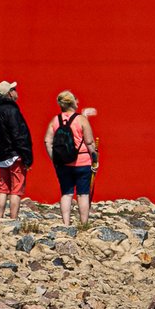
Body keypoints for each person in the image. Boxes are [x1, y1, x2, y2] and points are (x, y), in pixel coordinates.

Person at [42, 91, 97, 226]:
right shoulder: (81, 119)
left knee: (66, 194)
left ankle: (66, 223)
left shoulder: (55, 120)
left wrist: (54, 159)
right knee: (83, 194)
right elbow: (89, 142)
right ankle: (84, 223)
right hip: (82, 162)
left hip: (63, 163)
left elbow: (47, 141)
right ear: (72, 103)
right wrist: (95, 158)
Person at [0, 81, 33, 220]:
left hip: (1, 156)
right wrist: (27, 157)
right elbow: (19, 135)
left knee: (3, 188)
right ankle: (13, 219)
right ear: (9, 93)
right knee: (16, 189)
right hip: (15, 155)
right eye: (13, 89)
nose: (16, 91)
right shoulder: (13, 111)